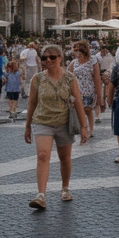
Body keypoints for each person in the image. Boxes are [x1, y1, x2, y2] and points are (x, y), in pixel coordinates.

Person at [23, 45, 89, 209]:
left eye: (52, 57)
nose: (48, 61)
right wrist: (27, 125)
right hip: (42, 121)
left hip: (64, 122)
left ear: (60, 58)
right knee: (43, 155)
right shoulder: (37, 79)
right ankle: (41, 195)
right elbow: (32, 103)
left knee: (64, 159)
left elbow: (78, 101)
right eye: (44, 58)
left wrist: (83, 126)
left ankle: (65, 187)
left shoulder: (70, 78)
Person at [70, 41, 103, 138]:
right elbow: (69, 76)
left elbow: (97, 78)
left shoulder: (92, 60)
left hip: (89, 90)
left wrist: (98, 94)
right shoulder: (74, 62)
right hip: (77, 90)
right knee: (80, 110)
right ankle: (84, 128)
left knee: (88, 110)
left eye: (78, 50)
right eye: (75, 51)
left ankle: (91, 129)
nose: (76, 53)